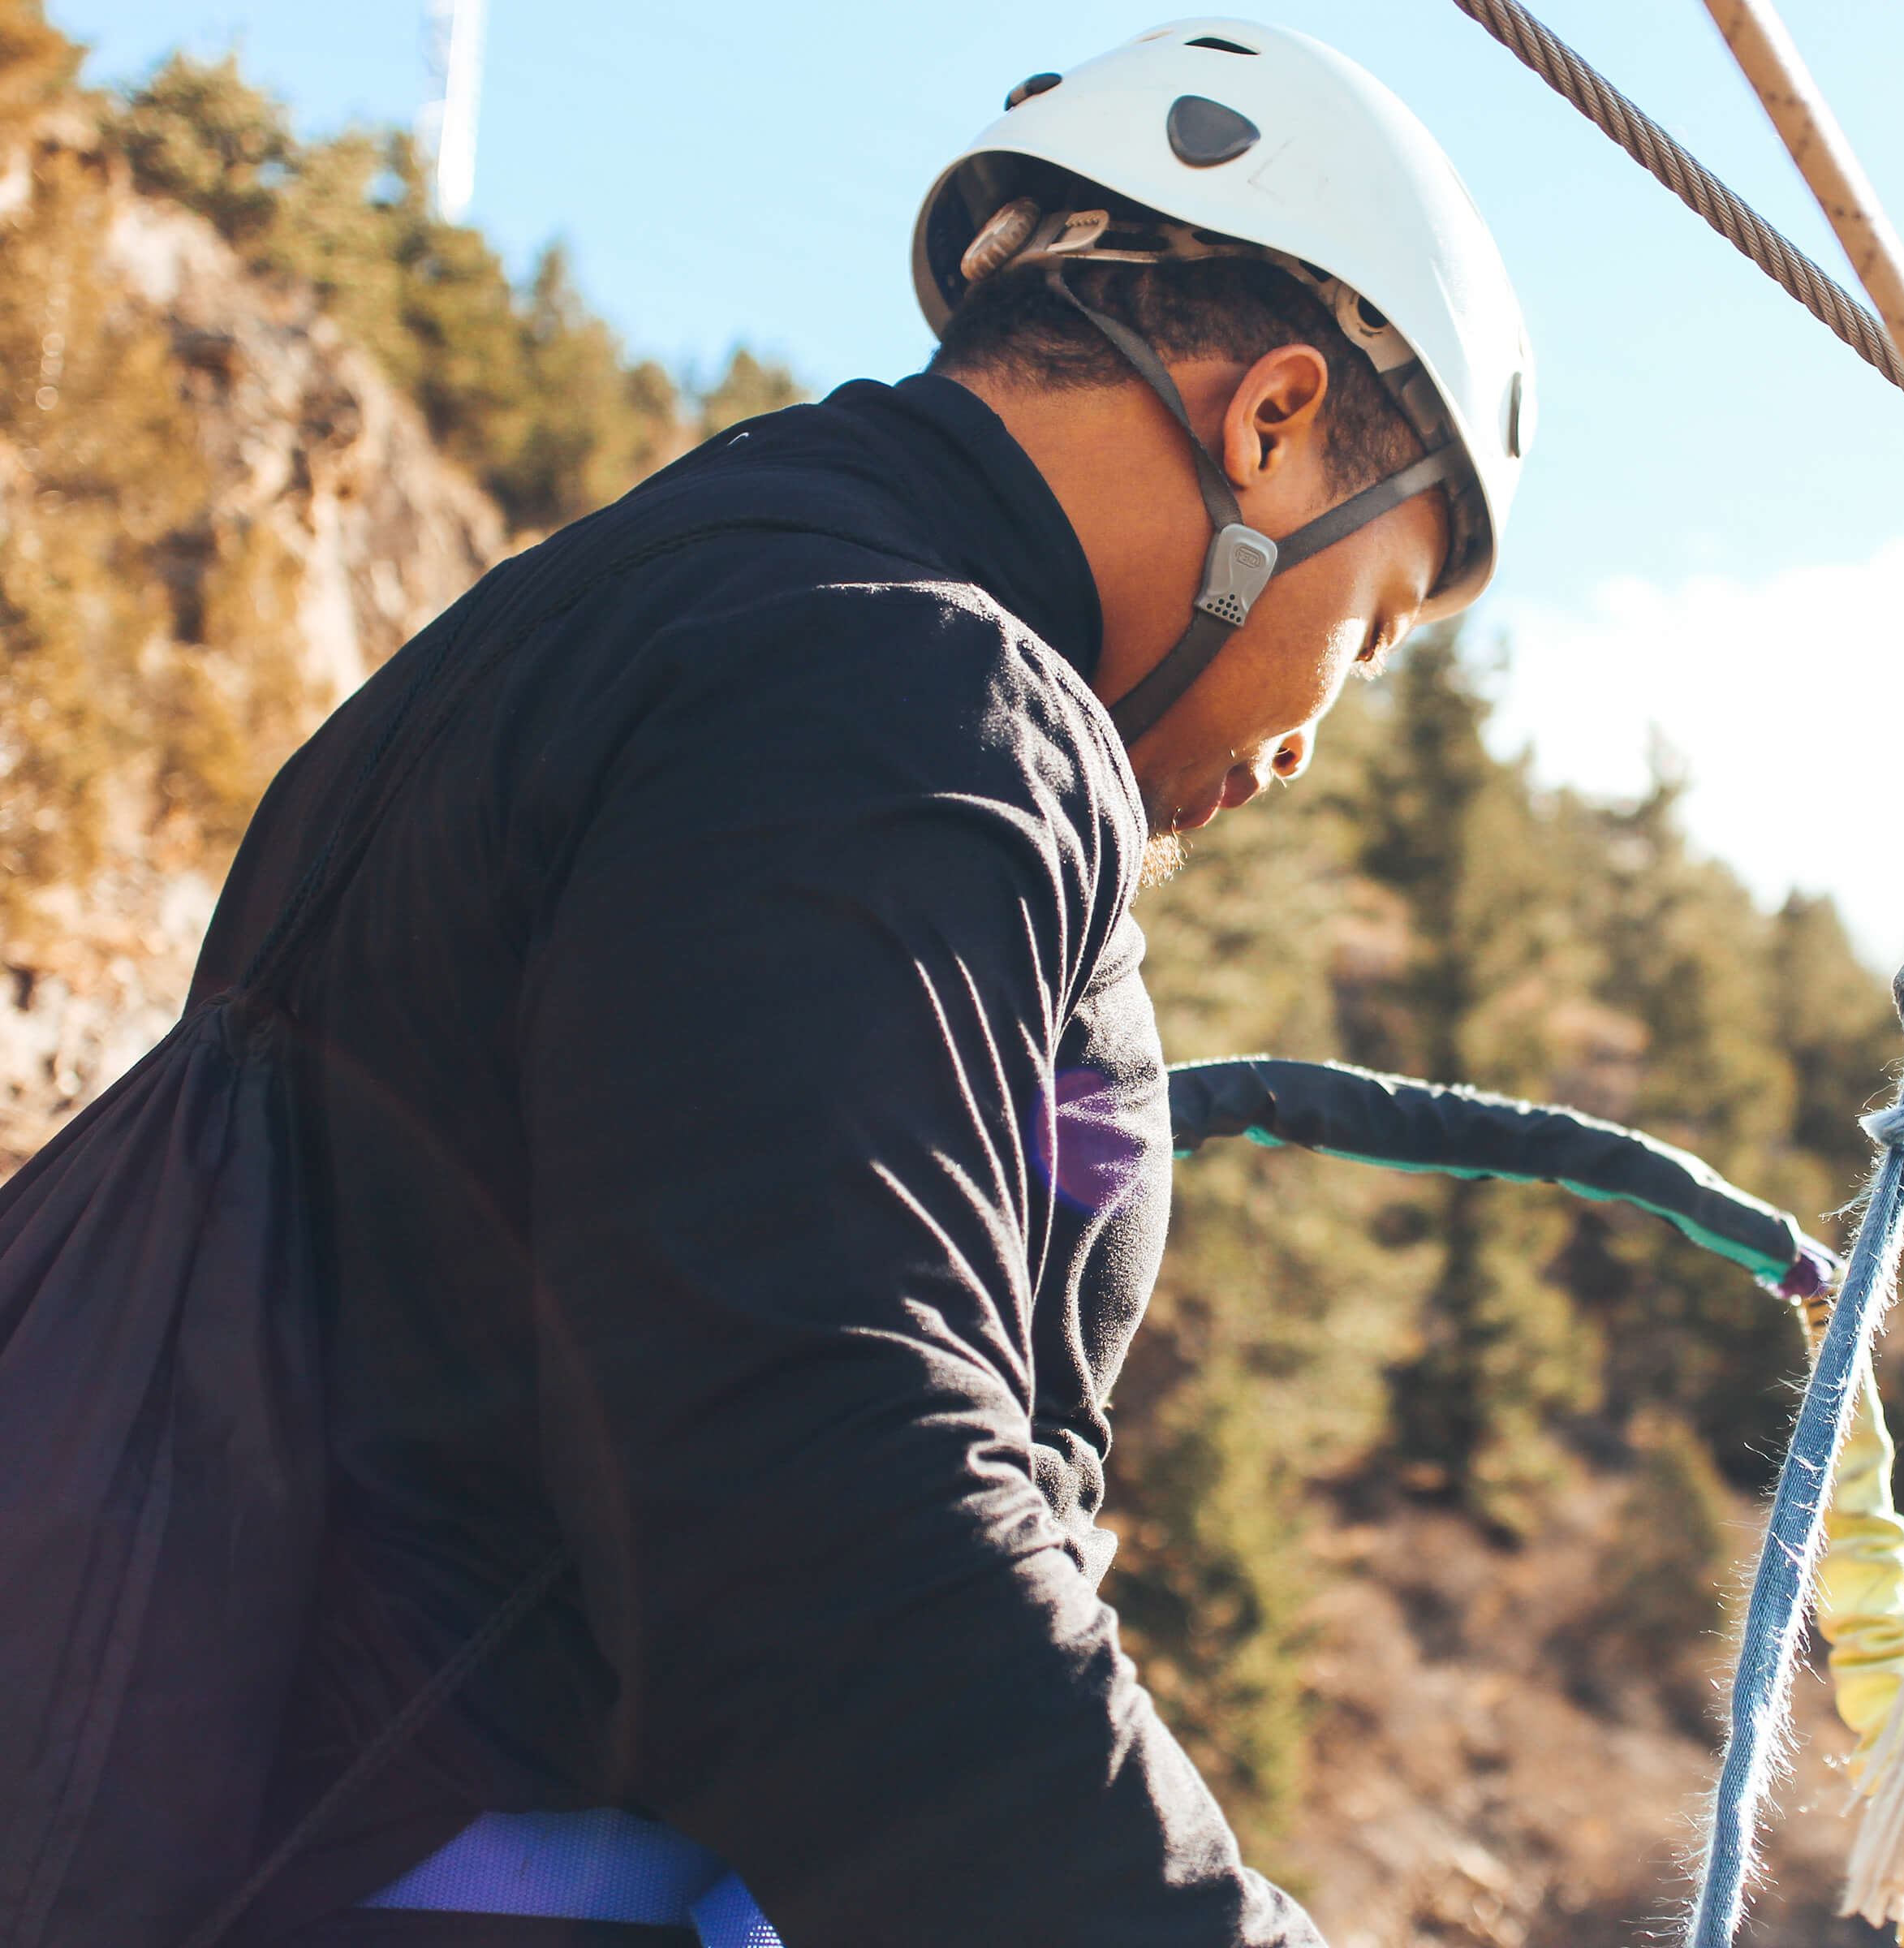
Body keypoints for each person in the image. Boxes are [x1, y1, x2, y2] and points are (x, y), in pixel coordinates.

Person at [195, 19, 1533, 1945]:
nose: (1322, 733)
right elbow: (819, 1497)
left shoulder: (646, 599)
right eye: (1379, 626)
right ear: (1273, 421)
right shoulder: (909, 688)